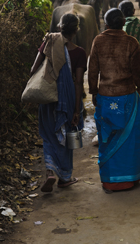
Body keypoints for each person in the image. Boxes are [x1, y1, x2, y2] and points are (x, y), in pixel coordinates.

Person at [88, 8, 140, 193]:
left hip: (106, 98)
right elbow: (138, 72)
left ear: (106, 24)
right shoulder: (131, 42)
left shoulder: (98, 41)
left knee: (107, 137)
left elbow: (92, 69)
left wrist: (94, 92)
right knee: (130, 140)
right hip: (127, 99)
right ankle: (131, 177)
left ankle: (110, 180)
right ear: (123, 23)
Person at [30, 14, 87, 192]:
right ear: (76, 30)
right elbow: (78, 83)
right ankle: (64, 177)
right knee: (66, 134)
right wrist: (77, 110)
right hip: (67, 100)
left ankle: (50, 172)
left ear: (59, 26)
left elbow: (33, 70)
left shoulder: (49, 42)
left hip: (48, 97)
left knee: (48, 135)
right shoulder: (79, 52)